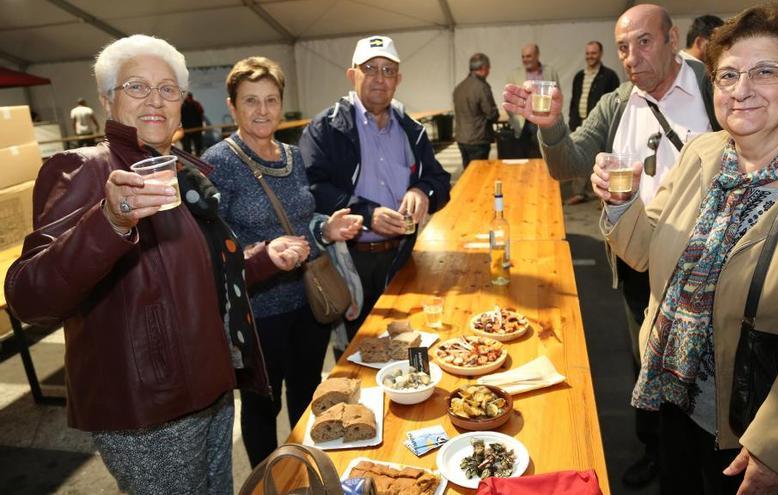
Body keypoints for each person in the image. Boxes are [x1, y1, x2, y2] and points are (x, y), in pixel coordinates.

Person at [593, 5, 778, 493]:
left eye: (765, 71)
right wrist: (621, 206)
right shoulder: (701, 153)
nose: (741, 89)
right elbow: (645, 250)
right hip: (670, 390)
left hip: (753, 422)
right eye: (727, 74)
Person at [3, 35, 305, 494]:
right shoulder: (85, 169)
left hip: (211, 388)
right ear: (107, 99)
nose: (155, 100)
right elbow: (28, 296)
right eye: (137, 87)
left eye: (168, 89)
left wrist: (263, 259)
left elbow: (199, 274)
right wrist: (108, 221)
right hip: (149, 409)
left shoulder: (180, 169)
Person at [502, 3, 719, 488]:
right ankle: (655, 452)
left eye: (644, 42)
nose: (632, 56)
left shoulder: (710, 89)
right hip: (637, 259)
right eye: (624, 46)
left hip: (705, 262)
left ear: (671, 38)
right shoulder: (618, 103)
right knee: (645, 362)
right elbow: (567, 164)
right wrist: (551, 124)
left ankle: (706, 460)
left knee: (704, 368)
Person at [201, 56, 363, 468]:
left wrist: (326, 228)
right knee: (261, 407)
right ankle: (268, 478)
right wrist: (266, 250)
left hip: (308, 300)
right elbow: (211, 241)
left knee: (307, 391)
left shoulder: (291, 155)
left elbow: (299, 219)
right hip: (259, 310)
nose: (262, 110)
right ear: (232, 106)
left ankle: (305, 468)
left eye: (271, 99)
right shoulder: (219, 162)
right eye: (250, 100)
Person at [300, 35, 451, 341]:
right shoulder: (326, 127)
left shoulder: (411, 129)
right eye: (369, 68)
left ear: (398, 79)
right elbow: (311, 187)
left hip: (402, 257)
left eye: (387, 70)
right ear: (352, 74)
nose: (379, 79)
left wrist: (422, 191)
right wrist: (366, 214)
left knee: (408, 345)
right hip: (349, 259)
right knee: (356, 352)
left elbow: (440, 181)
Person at [566, 41, 620, 205]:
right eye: (588, 53)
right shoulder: (579, 76)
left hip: (601, 125)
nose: (590, 56)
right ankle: (579, 192)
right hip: (579, 122)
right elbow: (574, 99)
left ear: (601, 54)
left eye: (594, 53)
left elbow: (615, 103)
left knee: (602, 161)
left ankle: (603, 197)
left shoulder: (610, 76)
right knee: (580, 156)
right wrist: (571, 119)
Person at [506, 43, 560, 158]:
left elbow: (557, 95)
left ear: (537, 55)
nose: (525, 59)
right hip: (523, 123)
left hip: (544, 120)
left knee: (545, 156)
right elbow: (508, 99)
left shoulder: (550, 72)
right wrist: (514, 120)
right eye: (523, 56)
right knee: (524, 156)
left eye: (529, 56)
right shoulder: (514, 74)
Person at [453, 53, 499, 168]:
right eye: (488, 68)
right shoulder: (482, 87)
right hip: (478, 139)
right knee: (479, 175)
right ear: (483, 68)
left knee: (467, 172)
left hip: (461, 138)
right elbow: (491, 113)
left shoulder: (459, 87)